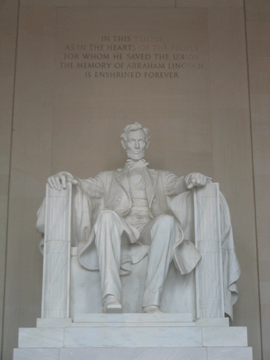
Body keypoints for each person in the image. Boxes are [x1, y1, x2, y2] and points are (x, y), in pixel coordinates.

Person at [47, 122, 210, 313]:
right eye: (133, 141)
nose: (137, 146)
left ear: (147, 143)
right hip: (123, 228)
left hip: (150, 228)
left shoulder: (161, 177)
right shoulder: (107, 177)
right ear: (124, 144)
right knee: (106, 216)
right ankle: (111, 297)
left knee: (167, 221)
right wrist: (66, 177)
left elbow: (179, 183)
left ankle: (152, 302)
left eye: (141, 141)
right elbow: (83, 185)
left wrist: (191, 178)